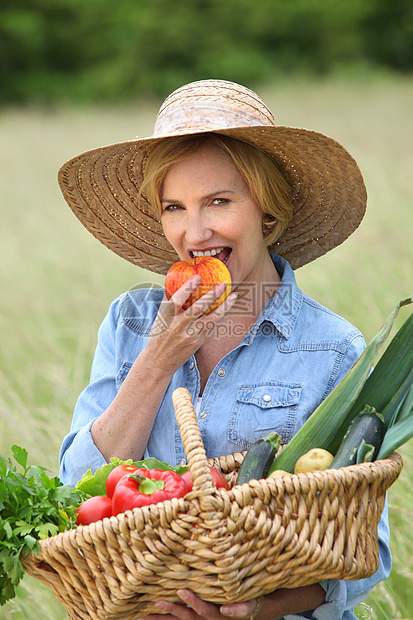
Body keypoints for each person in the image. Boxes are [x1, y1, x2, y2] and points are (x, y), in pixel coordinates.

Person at [58, 79, 391, 619]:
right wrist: (159, 356)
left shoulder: (332, 348)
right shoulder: (130, 321)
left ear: (268, 209)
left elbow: (365, 553)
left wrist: (254, 608)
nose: (194, 233)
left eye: (218, 201)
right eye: (174, 206)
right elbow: (77, 493)